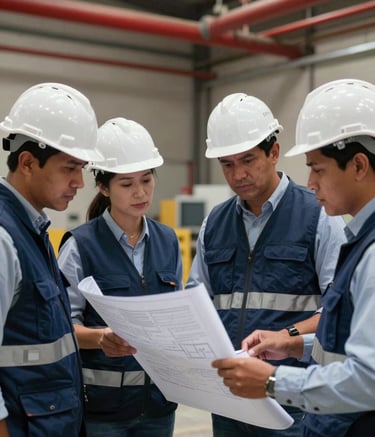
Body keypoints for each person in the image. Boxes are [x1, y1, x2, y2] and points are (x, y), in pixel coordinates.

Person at [212, 79, 375, 437]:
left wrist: (274, 379)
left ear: (359, 165)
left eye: (318, 169)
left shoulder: (364, 248)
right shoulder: (359, 240)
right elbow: (340, 341)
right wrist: (291, 343)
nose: (311, 182)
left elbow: (368, 377)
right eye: (227, 164)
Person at [186, 92, 347, 436]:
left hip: (291, 399)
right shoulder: (214, 224)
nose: (238, 174)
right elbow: (195, 306)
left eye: (247, 160)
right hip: (230, 399)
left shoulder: (319, 216)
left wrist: (285, 336)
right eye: (227, 164)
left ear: (273, 153)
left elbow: (337, 312)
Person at [58, 117, 183, 437]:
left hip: (159, 406)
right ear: (103, 186)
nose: (140, 192)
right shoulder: (81, 246)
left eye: (146, 180)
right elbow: (60, 327)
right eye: (127, 184)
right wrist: (100, 338)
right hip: (103, 411)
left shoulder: (168, 241)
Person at [0, 82, 103, 436]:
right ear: (27, 162)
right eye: (69, 168)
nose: (79, 182)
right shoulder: (4, 238)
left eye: (82, 169)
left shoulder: (32, 229)